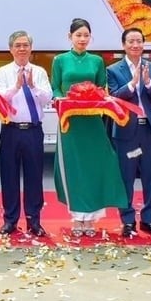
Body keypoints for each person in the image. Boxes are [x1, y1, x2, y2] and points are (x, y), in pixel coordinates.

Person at [50, 18, 131, 237]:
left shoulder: (96, 61)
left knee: (93, 166)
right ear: (70, 37)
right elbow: (55, 88)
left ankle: (92, 217)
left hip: (92, 120)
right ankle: (78, 217)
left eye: (86, 35)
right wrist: (60, 99)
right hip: (70, 121)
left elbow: (101, 88)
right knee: (75, 168)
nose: (82, 39)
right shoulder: (60, 60)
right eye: (78, 35)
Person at [106, 27, 151, 238]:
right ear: (123, 45)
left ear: (143, 44)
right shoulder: (113, 70)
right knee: (127, 176)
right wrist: (132, 84)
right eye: (131, 41)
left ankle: (149, 220)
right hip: (126, 130)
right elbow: (114, 96)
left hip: (149, 129)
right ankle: (128, 220)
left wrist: (148, 82)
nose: (135, 45)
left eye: (139, 41)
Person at [0, 30, 52, 237]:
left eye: (25, 45)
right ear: (10, 49)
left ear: (31, 48)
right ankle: (10, 220)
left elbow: (47, 98)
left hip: (33, 131)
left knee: (34, 176)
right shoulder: (2, 72)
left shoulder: (39, 72)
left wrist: (33, 86)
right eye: (17, 45)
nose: (22, 49)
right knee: (9, 176)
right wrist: (16, 86)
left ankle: (34, 220)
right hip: (11, 130)